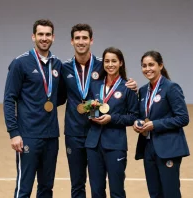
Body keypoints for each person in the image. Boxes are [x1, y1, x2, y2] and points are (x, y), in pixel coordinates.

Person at [60, 24, 137, 198]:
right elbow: (57, 95)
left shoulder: (102, 64)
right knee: (78, 183)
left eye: (85, 38)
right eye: (77, 38)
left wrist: (131, 85)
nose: (81, 42)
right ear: (72, 41)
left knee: (109, 187)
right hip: (74, 132)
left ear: (91, 40)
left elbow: (117, 83)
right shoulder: (63, 67)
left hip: (98, 133)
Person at [3, 19, 64, 198]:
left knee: (46, 188)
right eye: (40, 34)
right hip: (28, 135)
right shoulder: (20, 63)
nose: (44, 38)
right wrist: (14, 132)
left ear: (53, 37)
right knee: (24, 188)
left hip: (51, 136)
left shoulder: (57, 64)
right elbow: (9, 99)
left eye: (47, 35)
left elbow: (59, 96)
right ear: (33, 37)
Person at [133, 50, 190, 198]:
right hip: (148, 147)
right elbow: (143, 116)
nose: (147, 69)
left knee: (170, 193)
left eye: (151, 64)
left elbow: (183, 118)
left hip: (168, 148)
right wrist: (138, 123)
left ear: (160, 65)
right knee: (154, 193)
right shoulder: (143, 91)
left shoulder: (171, 88)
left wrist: (155, 125)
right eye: (144, 65)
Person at [85, 47, 139, 198]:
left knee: (117, 191)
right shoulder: (95, 85)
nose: (110, 64)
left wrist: (112, 118)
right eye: (107, 61)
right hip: (93, 144)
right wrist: (93, 115)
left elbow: (133, 116)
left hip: (115, 145)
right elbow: (90, 107)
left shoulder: (128, 86)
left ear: (121, 63)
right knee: (96, 191)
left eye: (114, 61)